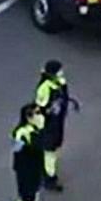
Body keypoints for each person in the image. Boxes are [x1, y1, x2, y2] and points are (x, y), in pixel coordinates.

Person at [0, 103, 46, 201]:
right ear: (28, 117)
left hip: (35, 167)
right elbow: (21, 149)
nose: (39, 115)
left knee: (35, 194)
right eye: (36, 113)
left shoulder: (36, 129)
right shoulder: (22, 133)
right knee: (26, 199)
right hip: (25, 170)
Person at [34, 60, 80, 192]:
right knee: (50, 150)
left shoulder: (58, 82)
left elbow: (64, 95)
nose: (61, 72)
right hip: (49, 124)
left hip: (57, 121)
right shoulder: (45, 88)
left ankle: (47, 167)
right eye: (59, 70)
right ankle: (49, 179)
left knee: (55, 145)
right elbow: (40, 108)